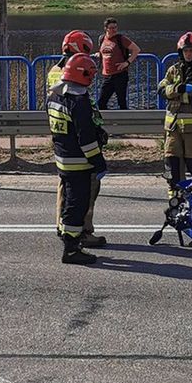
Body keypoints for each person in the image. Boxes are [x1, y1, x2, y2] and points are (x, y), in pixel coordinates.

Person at [48, 53, 107, 265]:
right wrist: (99, 162)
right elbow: (86, 139)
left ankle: (68, 238)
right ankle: (72, 250)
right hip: (79, 161)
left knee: (68, 203)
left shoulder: (55, 95)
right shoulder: (78, 101)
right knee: (77, 204)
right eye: (90, 74)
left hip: (63, 158)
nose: (92, 78)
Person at [157, 31, 192, 199]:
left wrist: (174, 93)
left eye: (191, 51)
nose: (188, 54)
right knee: (172, 162)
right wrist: (179, 89)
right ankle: (176, 195)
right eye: (185, 51)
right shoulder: (173, 70)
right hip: (173, 127)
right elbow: (161, 90)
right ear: (180, 52)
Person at [96, 17, 139, 110]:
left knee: (121, 102)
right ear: (106, 28)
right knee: (101, 102)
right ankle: (105, 123)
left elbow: (136, 50)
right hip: (107, 76)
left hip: (120, 75)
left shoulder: (121, 39)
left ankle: (125, 123)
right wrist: (98, 54)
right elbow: (103, 51)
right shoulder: (101, 38)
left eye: (115, 27)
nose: (114, 30)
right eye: (111, 28)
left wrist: (127, 62)